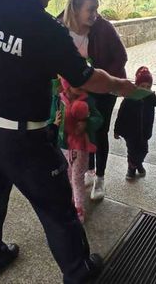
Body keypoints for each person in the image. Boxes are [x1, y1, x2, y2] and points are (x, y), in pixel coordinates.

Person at [0, 0, 136, 284]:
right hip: (22, 138)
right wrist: (122, 86)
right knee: (57, 207)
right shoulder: (44, 26)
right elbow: (85, 77)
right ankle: (78, 270)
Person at [59, 0, 127, 200]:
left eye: (96, 9)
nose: (95, 14)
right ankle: (85, 171)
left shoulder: (103, 28)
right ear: (75, 9)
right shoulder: (58, 29)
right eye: (90, 9)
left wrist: (105, 81)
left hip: (102, 90)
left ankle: (100, 178)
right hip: (71, 94)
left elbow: (121, 57)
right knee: (77, 133)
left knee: (100, 131)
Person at [58, 77, 103, 223]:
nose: (83, 88)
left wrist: (87, 123)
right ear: (67, 85)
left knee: (77, 177)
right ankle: (71, 199)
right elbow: (51, 115)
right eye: (79, 85)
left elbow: (98, 118)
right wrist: (55, 121)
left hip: (81, 146)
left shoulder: (87, 100)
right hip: (63, 145)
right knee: (67, 175)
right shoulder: (59, 99)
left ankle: (78, 207)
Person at [114, 66, 156, 180]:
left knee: (144, 150)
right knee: (132, 150)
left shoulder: (150, 97)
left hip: (144, 131)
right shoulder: (130, 98)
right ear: (136, 85)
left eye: (148, 87)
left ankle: (138, 163)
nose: (145, 89)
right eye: (142, 86)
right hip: (130, 132)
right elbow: (121, 115)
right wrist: (117, 130)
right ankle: (131, 168)